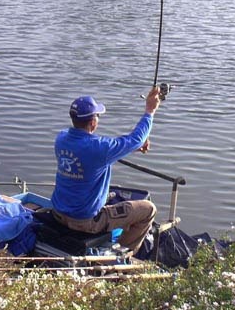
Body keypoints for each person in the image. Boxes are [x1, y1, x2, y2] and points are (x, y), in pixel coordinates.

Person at [50, 86, 162, 253]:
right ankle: (122, 253)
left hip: (58, 213)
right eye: (97, 116)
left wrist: (132, 147)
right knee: (148, 209)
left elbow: (97, 152)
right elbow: (135, 139)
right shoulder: (99, 148)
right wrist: (149, 111)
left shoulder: (61, 138)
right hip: (86, 222)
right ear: (93, 122)